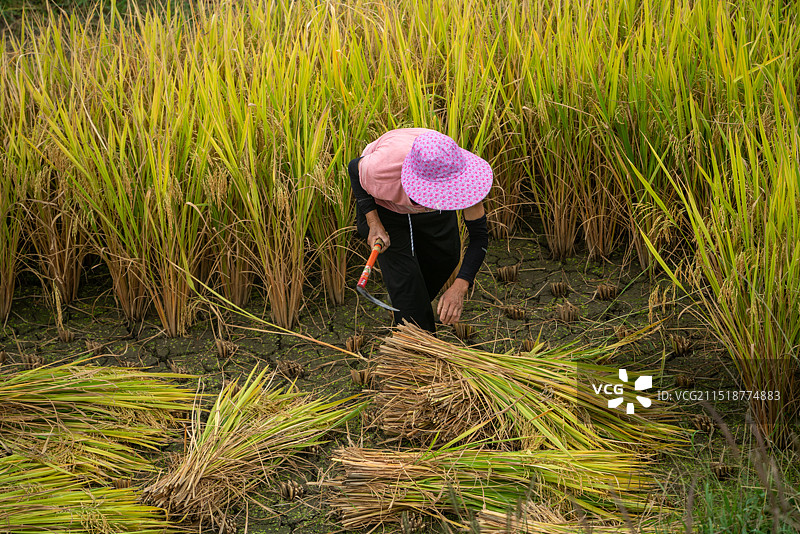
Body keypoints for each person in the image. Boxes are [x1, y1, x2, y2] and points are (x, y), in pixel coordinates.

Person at [348, 128, 492, 333]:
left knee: (447, 257)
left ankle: (406, 300)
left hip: (428, 208)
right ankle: (417, 342)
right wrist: (373, 223)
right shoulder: (381, 169)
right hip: (385, 211)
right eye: (438, 191)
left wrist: (460, 287)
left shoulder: (464, 180)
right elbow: (354, 168)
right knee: (409, 293)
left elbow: (479, 237)